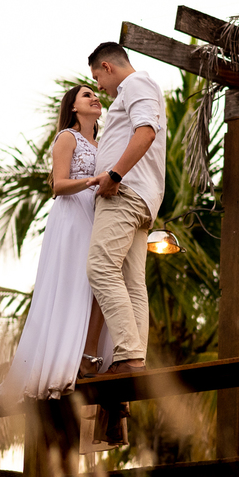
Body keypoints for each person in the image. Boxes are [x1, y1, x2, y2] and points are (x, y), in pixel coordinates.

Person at [0, 85, 113, 410]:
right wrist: (93, 181)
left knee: (98, 283)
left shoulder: (104, 141)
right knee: (76, 282)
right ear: (73, 107)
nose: (95, 98)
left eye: (95, 95)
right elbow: (57, 185)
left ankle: (88, 354)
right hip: (73, 215)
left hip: (99, 214)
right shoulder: (67, 138)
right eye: (87, 95)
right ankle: (66, 359)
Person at [85, 42, 166, 375]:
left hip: (126, 193)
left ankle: (129, 356)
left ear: (107, 66)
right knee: (132, 280)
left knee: (100, 267)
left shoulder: (136, 84)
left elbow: (145, 132)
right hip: (140, 197)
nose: (99, 88)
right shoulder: (134, 90)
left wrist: (115, 175)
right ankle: (134, 360)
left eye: (97, 78)